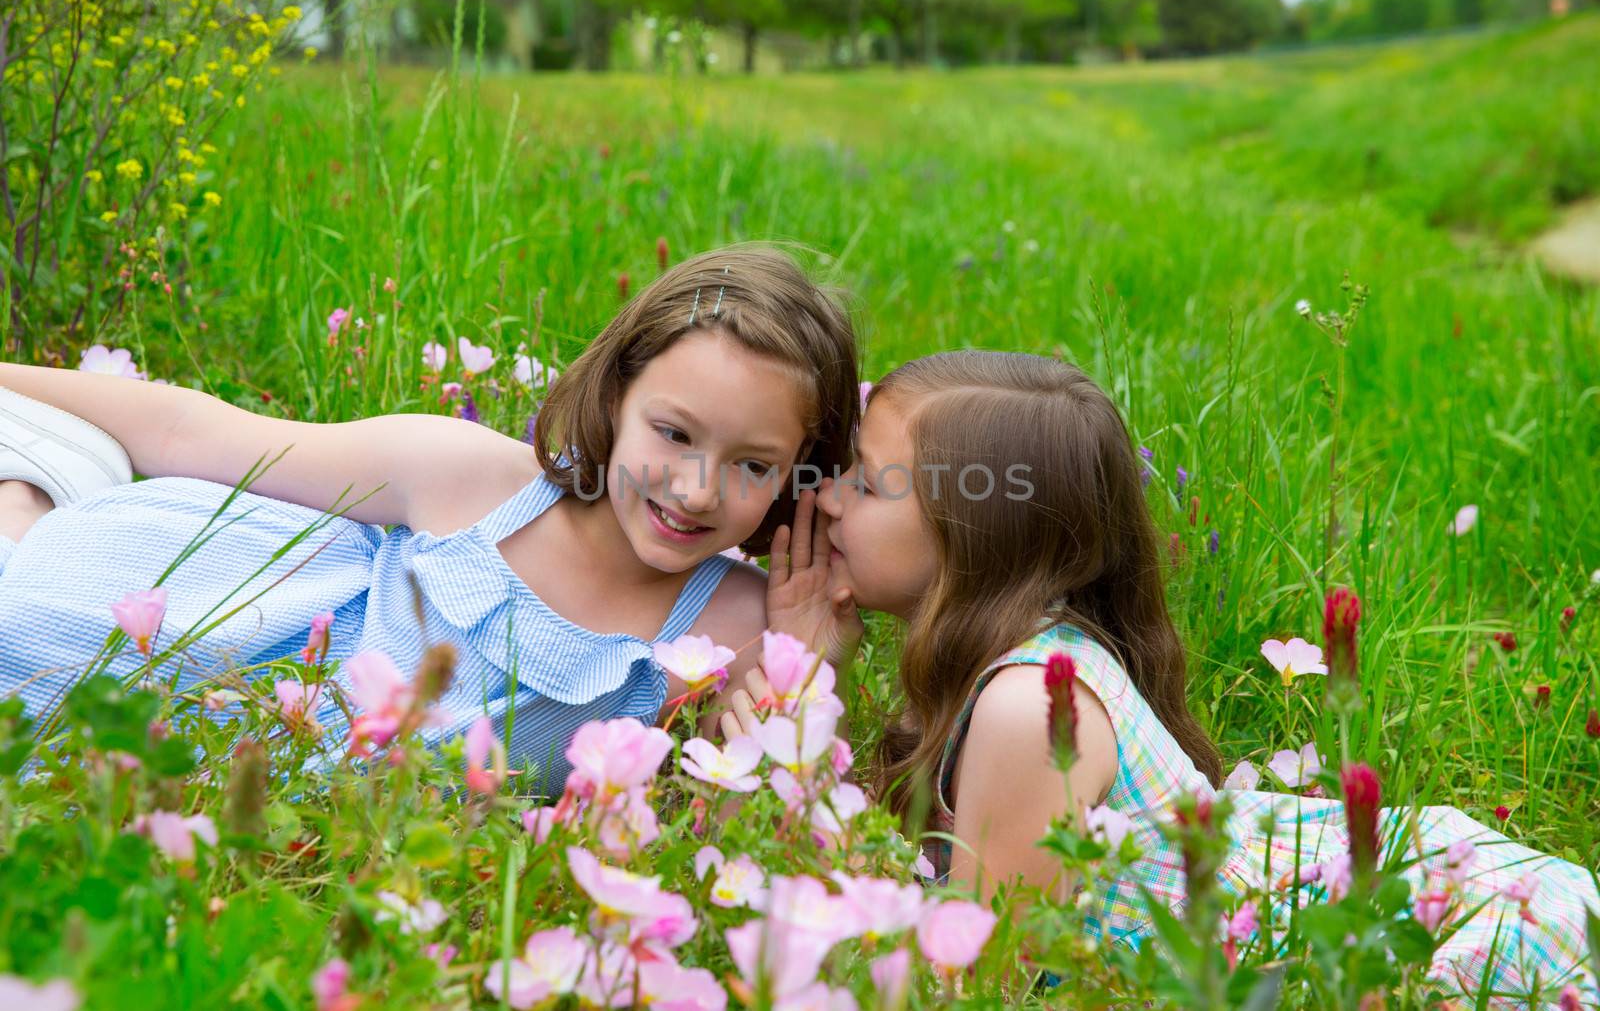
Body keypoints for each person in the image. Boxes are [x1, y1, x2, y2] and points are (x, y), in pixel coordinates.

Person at [725, 349, 1598, 1004]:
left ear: (977, 537)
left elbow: (978, 980)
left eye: (872, 485)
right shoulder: (991, 674)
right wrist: (812, 666)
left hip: (1470, 934)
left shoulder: (1030, 707)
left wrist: (787, 728)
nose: (829, 498)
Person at [0, 246, 859, 794]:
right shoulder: (476, 480)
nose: (700, 489)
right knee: (25, 620)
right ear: (615, 392)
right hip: (232, 643)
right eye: (672, 434)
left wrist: (804, 661)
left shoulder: (733, 621)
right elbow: (204, 433)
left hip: (331, 816)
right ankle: (33, 492)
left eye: (753, 465)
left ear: (797, 473)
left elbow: (754, 797)